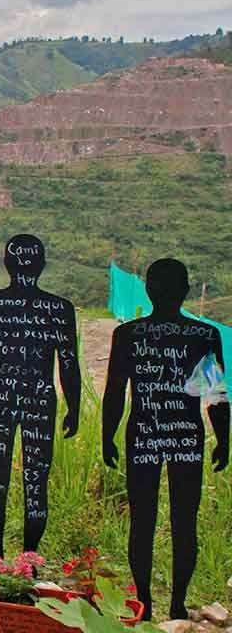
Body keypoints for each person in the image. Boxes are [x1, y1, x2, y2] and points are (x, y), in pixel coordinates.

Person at [102, 258, 229, 621]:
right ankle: (176, 603)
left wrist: (107, 436)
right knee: (185, 521)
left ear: (148, 290)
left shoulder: (128, 335)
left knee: (142, 519)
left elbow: (115, 393)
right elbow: (215, 395)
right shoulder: (204, 336)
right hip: (185, 437)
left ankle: (145, 601)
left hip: (143, 434)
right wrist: (224, 439)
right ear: (185, 291)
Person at [0, 234, 81, 558]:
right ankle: (25, 557)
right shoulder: (58, 309)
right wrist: (74, 407)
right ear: (42, 265)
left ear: (6, 264)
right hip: (38, 397)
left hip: (1, 396)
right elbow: (68, 364)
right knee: (34, 481)